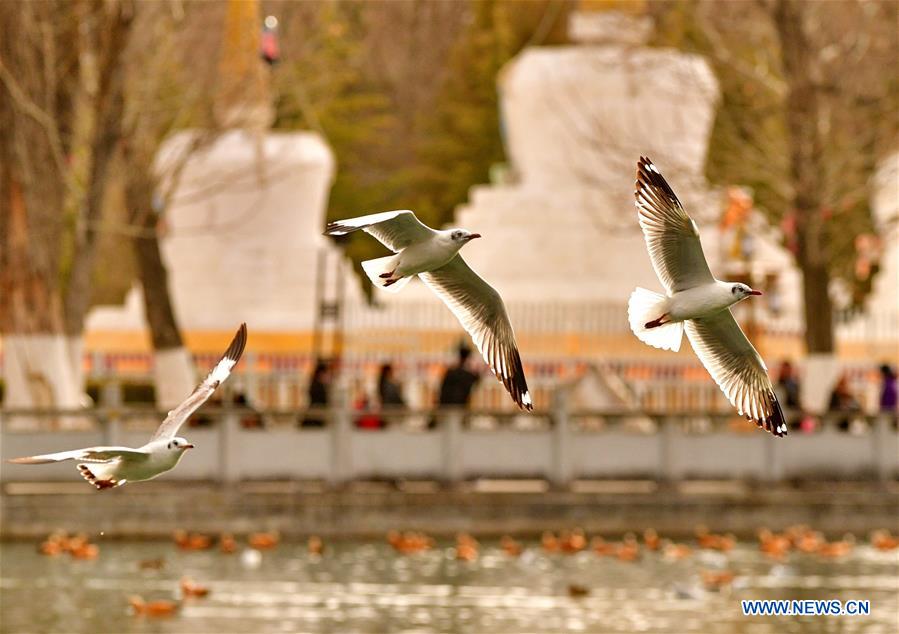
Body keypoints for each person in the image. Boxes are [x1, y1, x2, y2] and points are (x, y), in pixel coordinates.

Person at [432, 344, 481, 428]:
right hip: (460, 409)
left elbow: (442, 391)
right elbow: (477, 379)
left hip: (446, 408)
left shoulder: (451, 372)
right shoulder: (468, 375)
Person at [300, 360, 331, 428]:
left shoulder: (314, 385)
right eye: (327, 374)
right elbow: (323, 403)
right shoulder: (319, 387)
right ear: (321, 374)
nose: (329, 377)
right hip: (315, 419)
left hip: (312, 418)